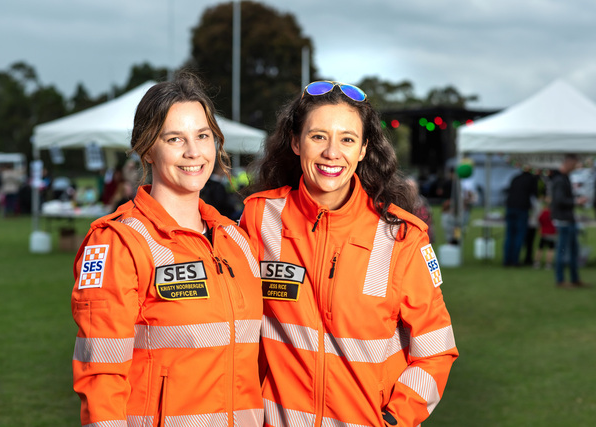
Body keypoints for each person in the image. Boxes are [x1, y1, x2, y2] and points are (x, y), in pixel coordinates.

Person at [240, 81, 458, 427]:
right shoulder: (259, 216)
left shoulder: (402, 236)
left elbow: (436, 350)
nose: (332, 152)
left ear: (363, 149)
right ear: (295, 142)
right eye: (318, 136)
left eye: (347, 139)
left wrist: (394, 420)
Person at [71, 73, 264, 427]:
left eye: (202, 136)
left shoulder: (236, 240)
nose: (193, 152)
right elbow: (101, 375)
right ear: (148, 149)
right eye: (175, 139)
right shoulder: (118, 242)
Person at [550, 154, 589, 288]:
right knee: (562, 251)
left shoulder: (564, 178)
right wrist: (576, 201)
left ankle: (574, 279)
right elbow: (559, 200)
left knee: (573, 252)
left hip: (569, 219)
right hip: (563, 221)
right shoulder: (559, 180)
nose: (575, 167)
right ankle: (560, 280)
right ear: (568, 162)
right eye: (574, 164)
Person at [503, 165, 538, 267]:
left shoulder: (515, 178)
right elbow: (535, 194)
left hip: (510, 207)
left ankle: (507, 260)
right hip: (522, 208)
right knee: (519, 235)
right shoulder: (531, 179)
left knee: (509, 235)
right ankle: (515, 260)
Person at [533, 197, 556, 270]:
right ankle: (548, 263)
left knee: (540, 247)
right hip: (552, 233)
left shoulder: (544, 212)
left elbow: (540, 220)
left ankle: (536, 262)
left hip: (544, 232)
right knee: (551, 248)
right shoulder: (554, 212)